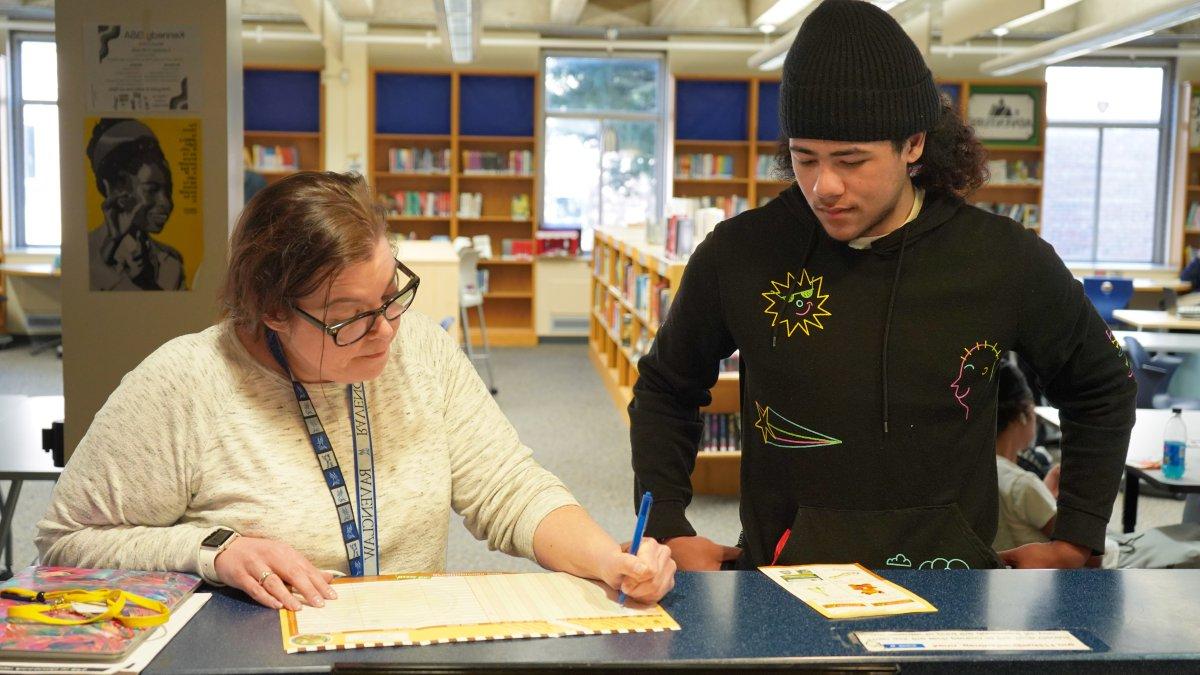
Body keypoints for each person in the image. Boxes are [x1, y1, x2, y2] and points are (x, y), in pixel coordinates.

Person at [630, 0, 1136, 572]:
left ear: (913, 145)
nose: (824, 186)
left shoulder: (1001, 259)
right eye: (805, 158)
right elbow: (666, 387)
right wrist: (666, 528)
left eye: (851, 161)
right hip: (783, 587)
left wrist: (1078, 535)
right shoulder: (739, 253)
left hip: (954, 590)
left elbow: (1102, 385)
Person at [39, 171, 675, 610]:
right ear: (269, 310)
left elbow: (508, 487)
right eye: (348, 317)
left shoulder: (420, 348)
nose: (386, 331)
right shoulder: (183, 387)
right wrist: (211, 549)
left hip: (401, 652)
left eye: (390, 295)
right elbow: (64, 548)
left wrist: (605, 558)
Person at [994, 359, 1200, 569]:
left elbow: (1029, 513)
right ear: (1023, 414)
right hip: (1112, 562)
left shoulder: (989, 475)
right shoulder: (1023, 484)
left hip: (1112, 548)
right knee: (1192, 544)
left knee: (1191, 532)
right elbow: (1088, 552)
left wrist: (1045, 493)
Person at [86, 118, 186, 291]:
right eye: (151, 190)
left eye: (168, 190)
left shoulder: (171, 263)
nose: (166, 203)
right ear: (115, 189)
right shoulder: (84, 253)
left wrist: (144, 281)